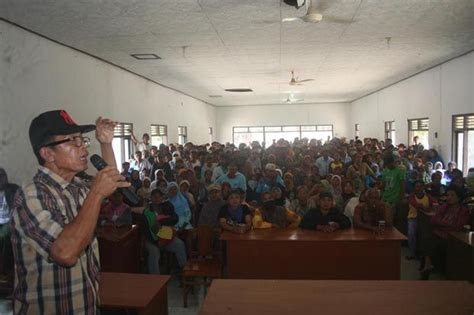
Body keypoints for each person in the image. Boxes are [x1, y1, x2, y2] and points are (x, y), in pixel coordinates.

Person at [11, 110, 129, 314]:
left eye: (82, 139)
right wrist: (96, 194)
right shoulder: (32, 195)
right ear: (48, 153)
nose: (82, 145)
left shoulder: (77, 186)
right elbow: (65, 253)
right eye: (72, 141)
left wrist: (106, 143)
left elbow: (111, 181)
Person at [419, 186, 470, 280]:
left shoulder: (463, 211)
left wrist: (441, 224)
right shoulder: (445, 207)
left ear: (458, 197)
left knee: (431, 242)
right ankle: (428, 265)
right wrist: (447, 224)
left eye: (452, 195)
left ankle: (428, 265)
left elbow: (457, 226)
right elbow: (433, 220)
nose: (449, 197)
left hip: (452, 237)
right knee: (426, 237)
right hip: (439, 234)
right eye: (447, 195)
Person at [143, 189, 187, 274]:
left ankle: (184, 272)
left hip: (165, 237)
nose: (157, 199)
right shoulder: (147, 211)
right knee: (154, 252)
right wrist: (156, 242)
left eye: (159, 197)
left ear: (162, 198)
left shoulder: (166, 207)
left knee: (180, 244)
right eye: (154, 197)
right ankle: (155, 279)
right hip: (151, 239)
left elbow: (175, 219)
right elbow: (146, 230)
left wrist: (163, 223)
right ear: (151, 198)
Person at [406, 181, 434, 260]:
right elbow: (416, 205)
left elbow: (435, 204)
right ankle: (412, 253)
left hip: (425, 219)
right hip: (413, 217)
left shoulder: (428, 196)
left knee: (427, 234)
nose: (419, 188)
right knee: (411, 233)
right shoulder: (412, 196)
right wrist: (426, 208)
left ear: (423, 187)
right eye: (417, 186)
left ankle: (424, 254)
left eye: (421, 186)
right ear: (414, 188)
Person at [0, 168, 19, 276]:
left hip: (8, 221)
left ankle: (5, 270)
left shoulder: (13, 189)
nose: (1, 179)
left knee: (3, 235)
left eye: (3, 175)